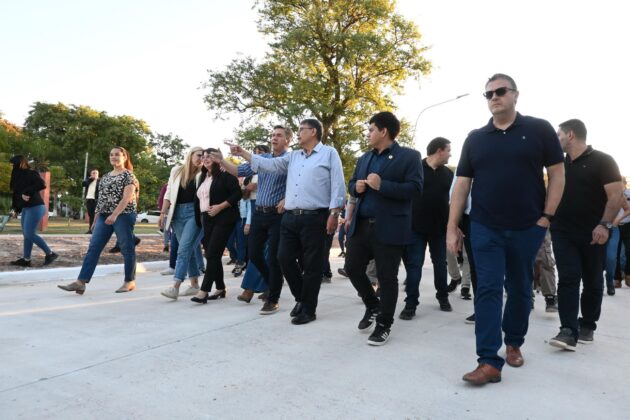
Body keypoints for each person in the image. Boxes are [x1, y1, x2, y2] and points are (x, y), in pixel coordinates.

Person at [447, 73, 565, 385]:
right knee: (487, 289)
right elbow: (462, 184)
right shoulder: (475, 138)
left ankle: (514, 341)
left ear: (515, 94)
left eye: (500, 91)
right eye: (488, 94)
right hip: (485, 226)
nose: (494, 97)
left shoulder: (539, 129)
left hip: (528, 227)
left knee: (520, 289)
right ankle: (488, 361)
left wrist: (546, 217)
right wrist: (452, 226)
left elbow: (557, 174)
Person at [226, 119, 346, 323]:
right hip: (290, 217)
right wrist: (243, 152)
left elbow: (338, 184)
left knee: (312, 265)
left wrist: (334, 214)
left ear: (313, 132)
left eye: (301, 130)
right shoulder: (294, 156)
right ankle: (301, 298)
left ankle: (308, 309)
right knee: (283, 258)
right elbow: (269, 165)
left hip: (315, 217)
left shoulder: (329, 153)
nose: (298, 133)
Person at [346, 111, 423, 345]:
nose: (367, 134)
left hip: (390, 226)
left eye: (371, 130)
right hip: (362, 225)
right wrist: (356, 187)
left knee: (387, 278)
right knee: (352, 268)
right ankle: (372, 305)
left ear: (384, 131)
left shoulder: (409, 156)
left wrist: (383, 185)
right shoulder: (364, 158)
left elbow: (415, 189)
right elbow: (352, 183)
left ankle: (383, 324)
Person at [548, 119, 623, 351]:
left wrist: (604, 225)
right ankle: (568, 330)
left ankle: (588, 324)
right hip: (562, 231)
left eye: (558, 135)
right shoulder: (558, 164)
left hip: (594, 233)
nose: (556, 139)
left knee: (592, 280)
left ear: (570, 135)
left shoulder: (603, 160)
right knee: (568, 277)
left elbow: (616, 196)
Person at [214, 135, 291, 315]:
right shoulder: (262, 158)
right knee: (254, 255)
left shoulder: (290, 159)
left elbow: (298, 183)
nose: (274, 138)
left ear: (288, 139)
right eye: (273, 135)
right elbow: (238, 171)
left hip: (278, 215)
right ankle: (272, 284)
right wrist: (221, 161)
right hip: (259, 212)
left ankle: (273, 299)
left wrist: (288, 198)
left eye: (279, 135)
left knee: (273, 258)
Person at [58, 146, 138, 294]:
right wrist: (95, 220)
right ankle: (81, 282)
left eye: (117, 154)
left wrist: (114, 215)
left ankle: (129, 281)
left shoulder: (129, 175)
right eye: (111, 155)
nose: (114, 157)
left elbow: (127, 198)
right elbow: (101, 200)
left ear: (124, 157)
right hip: (103, 215)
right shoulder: (106, 177)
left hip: (123, 215)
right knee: (94, 247)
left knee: (127, 248)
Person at [399, 137, 453, 320]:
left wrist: (455, 226)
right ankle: (410, 304)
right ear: (439, 150)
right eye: (448, 150)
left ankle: (443, 297)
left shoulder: (448, 174)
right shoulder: (416, 168)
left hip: (439, 229)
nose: (450, 154)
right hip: (415, 227)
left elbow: (453, 201)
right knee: (414, 266)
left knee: (441, 265)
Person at [191, 148, 241, 303]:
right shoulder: (203, 177)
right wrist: (199, 220)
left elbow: (237, 194)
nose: (205, 159)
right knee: (213, 254)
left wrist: (220, 206)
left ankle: (204, 291)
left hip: (224, 218)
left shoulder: (226, 175)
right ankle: (220, 288)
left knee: (212, 253)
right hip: (206, 219)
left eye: (210, 157)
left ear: (217, 159)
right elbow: (199, 200)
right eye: (204, 157)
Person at [159, 147, 205, 300]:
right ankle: (194, 285)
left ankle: (175, 286)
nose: (201, 158)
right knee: (189, 249)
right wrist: (163, 213)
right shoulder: (176, 170)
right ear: (190, 155)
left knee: (183, 249)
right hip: (176, 214)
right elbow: (168, 193)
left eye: (203, 156)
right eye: (199, 155)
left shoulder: (203, 173)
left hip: (195, 213)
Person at [9, 155, 58, 267]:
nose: (12, 167)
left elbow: (42, 184)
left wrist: (26, 192)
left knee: (29, 233)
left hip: (36, 207)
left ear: (20, 163)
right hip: (26, 208)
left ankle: (50, 254)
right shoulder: (17, 177)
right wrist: (15, 209)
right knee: (26, 235)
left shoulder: (31, 173)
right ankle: (26, 260)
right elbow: (16, 194)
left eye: (13, 164)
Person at [82, 168, 100, 234]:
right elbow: (83, 184)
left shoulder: (100, 181)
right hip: (89, 200)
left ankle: (97, 230)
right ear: (91, 174)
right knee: (91, 215)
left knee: (96, 216)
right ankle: (91, 230)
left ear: (98, 174)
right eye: (93, 173)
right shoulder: (88, 180)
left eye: (96, 173)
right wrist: (90, 179)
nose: (95, 174)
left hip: (96, 200)